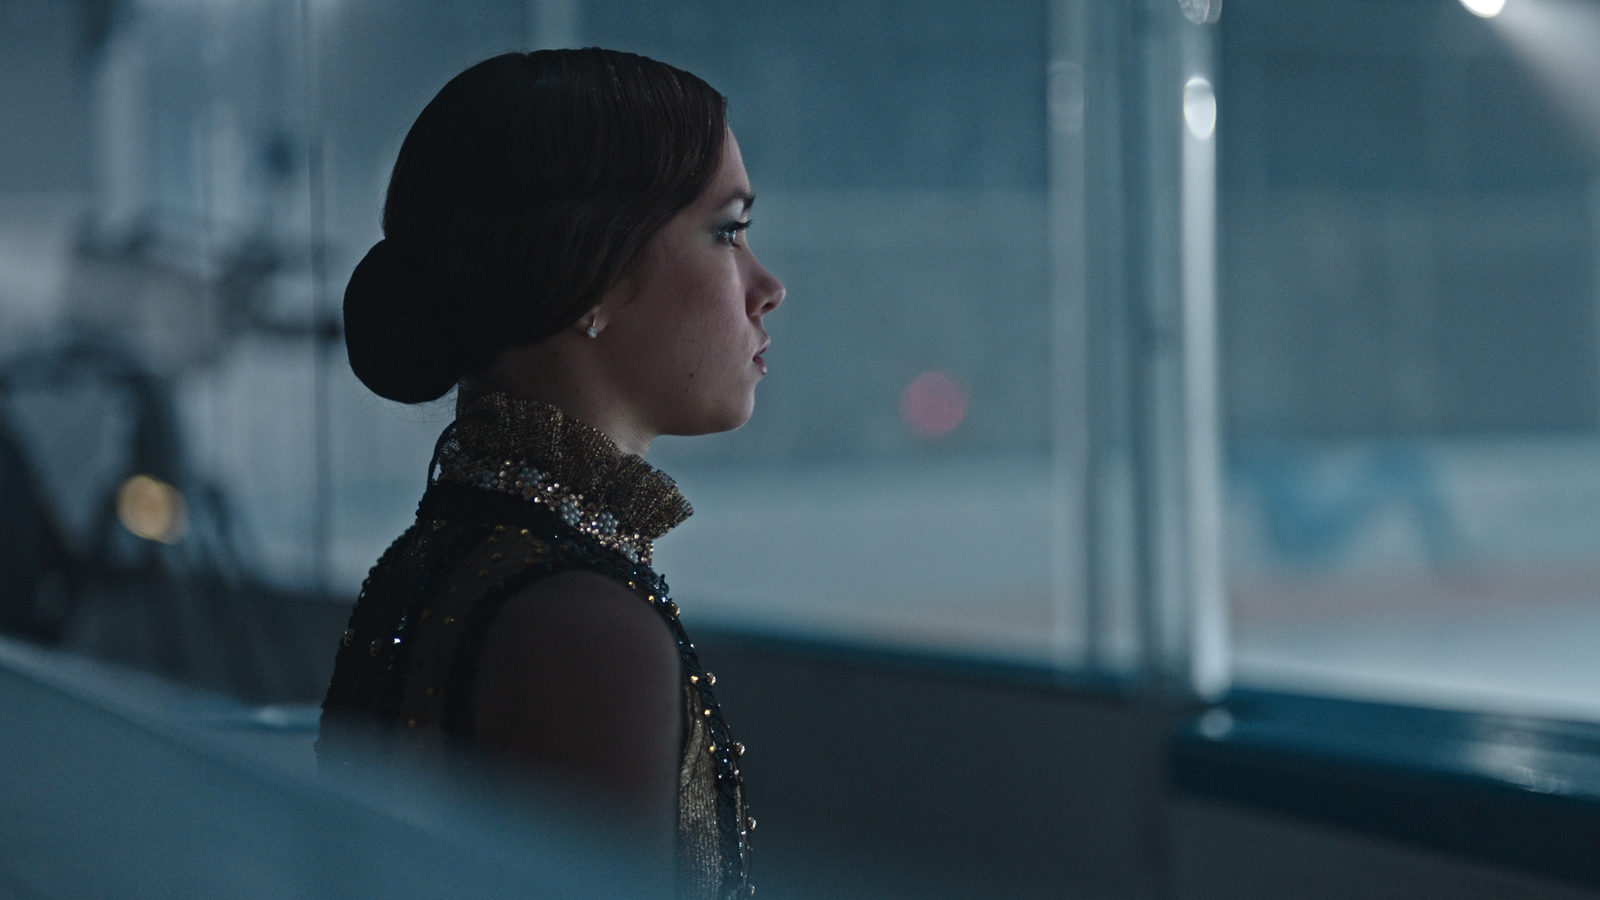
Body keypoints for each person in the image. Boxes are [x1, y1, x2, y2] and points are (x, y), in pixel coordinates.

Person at [317, 48, 783, 900]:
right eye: (727, 231)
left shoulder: (453, 558)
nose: (768, 286)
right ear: (590, 277)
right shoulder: (585, 629)